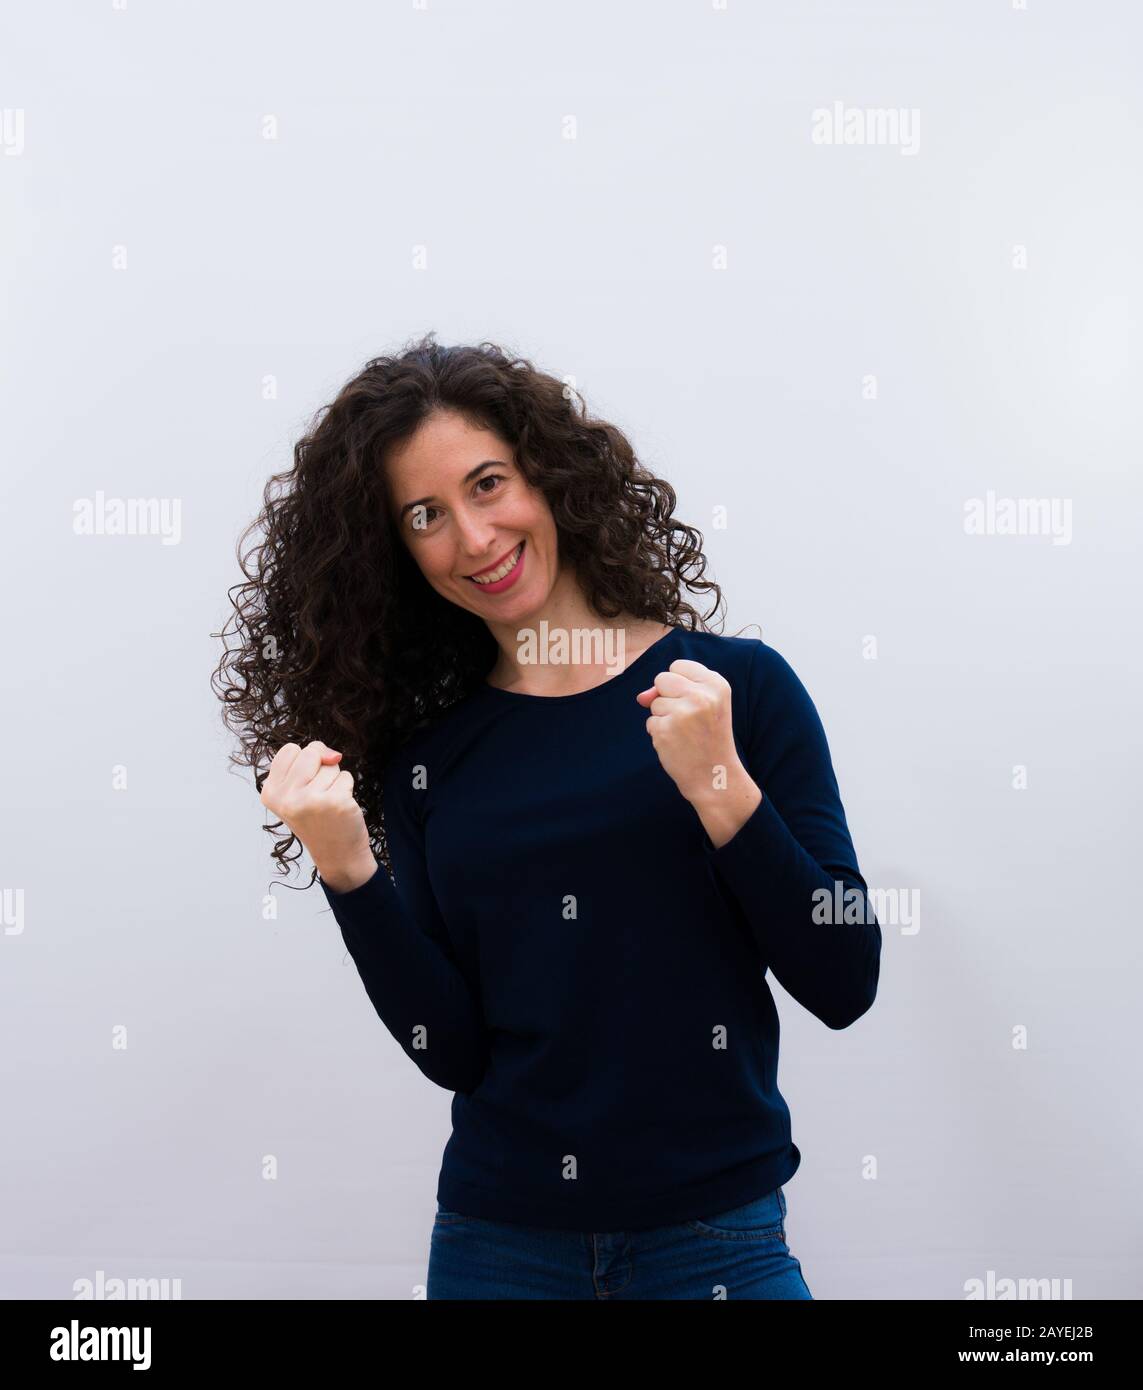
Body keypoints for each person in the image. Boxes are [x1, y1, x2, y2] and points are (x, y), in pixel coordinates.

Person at [213, 333, 881, 1299]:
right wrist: (351, 875)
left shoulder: (734, 691)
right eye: (425, 514)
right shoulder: (431, 758)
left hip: (715, 1243)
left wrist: (720, 788)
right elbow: (456, 1054)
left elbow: (845, 977)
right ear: (394, 550)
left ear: (550, 476)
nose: (474, 538)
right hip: (498, 1248)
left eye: (488, 484)